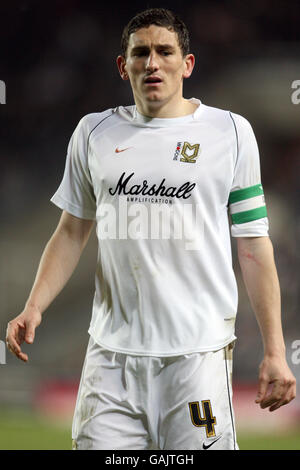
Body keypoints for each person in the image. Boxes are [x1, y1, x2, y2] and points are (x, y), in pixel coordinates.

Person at [6, 8, 296, 450]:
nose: (152, 62)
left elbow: (254, 244)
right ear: (124, 66)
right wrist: (34, 305)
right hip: (110, 361)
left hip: (197, 358)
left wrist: (274, 349)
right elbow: (70, 232)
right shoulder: (93, 134)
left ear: (188, 64)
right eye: (140, 52)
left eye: (165, 51)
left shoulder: (231, 133)